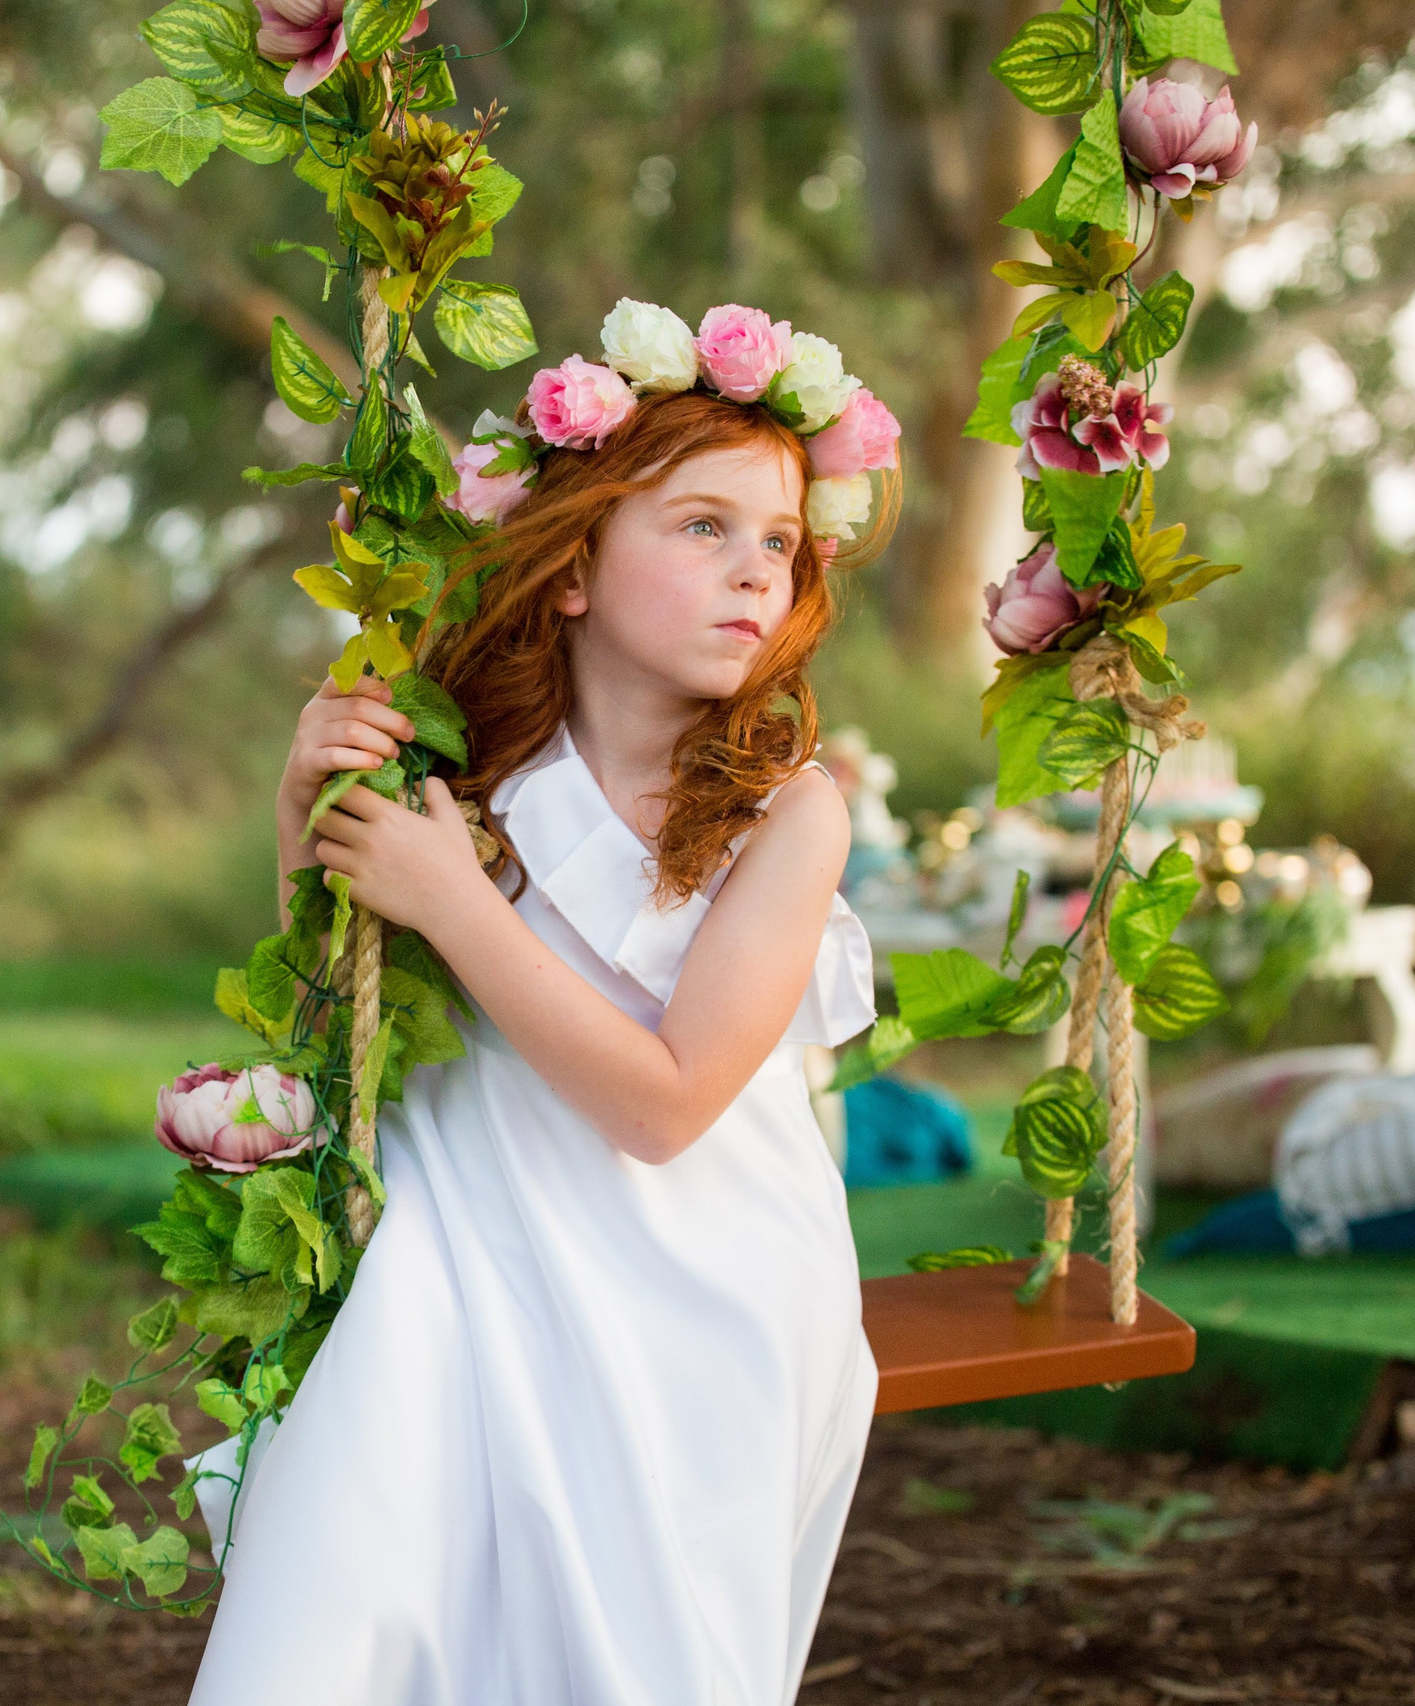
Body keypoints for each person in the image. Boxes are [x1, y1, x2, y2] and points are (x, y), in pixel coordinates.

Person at [188, 303, 901, 1706]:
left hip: (702, 1271)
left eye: (778, 540)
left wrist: (458, 903)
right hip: (465, 1230)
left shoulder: (788, 813)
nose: (754, 570)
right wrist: (301, 809)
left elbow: (670, 1105)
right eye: (703, 526)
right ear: (574, 566)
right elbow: (336, 1026)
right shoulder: (462, 771)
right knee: (347, 1557)